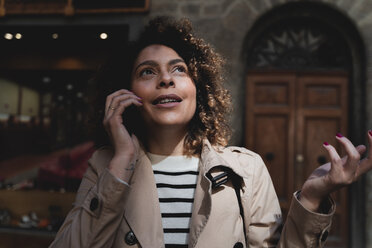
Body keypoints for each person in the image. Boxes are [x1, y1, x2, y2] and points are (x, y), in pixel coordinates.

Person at [49, 16, 372, 248]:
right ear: (126, 92)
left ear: (198, 89)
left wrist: (313, 198)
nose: (166, 79)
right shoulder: (105, 165)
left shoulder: (245, 168)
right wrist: (121, 161)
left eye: (179, 69)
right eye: (148, 71)